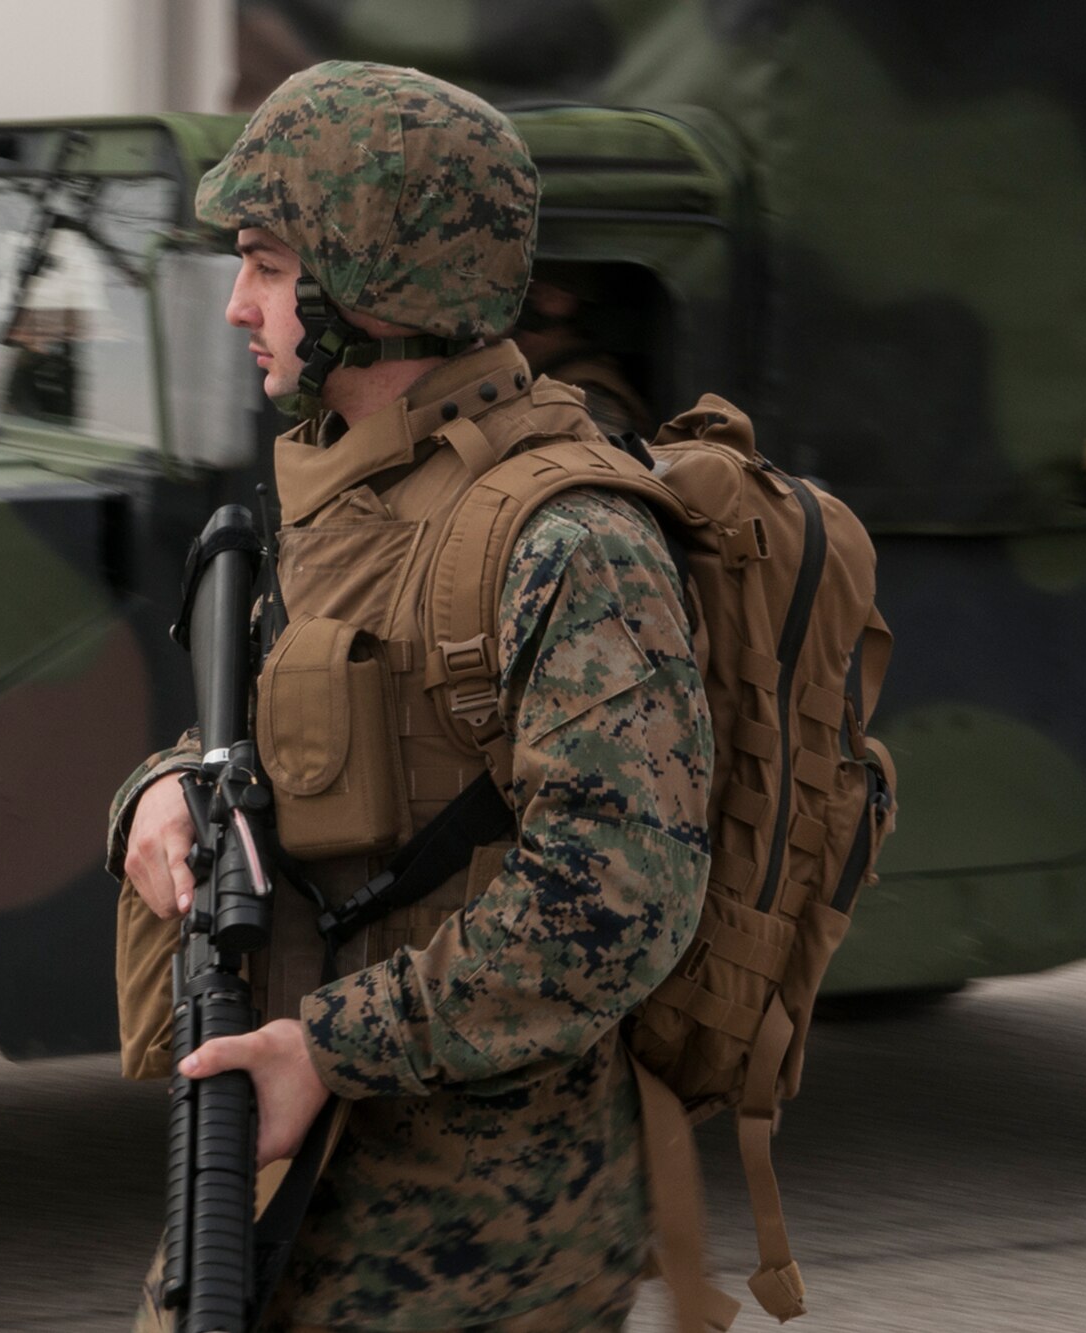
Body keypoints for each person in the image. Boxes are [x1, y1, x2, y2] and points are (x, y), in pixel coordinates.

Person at [107, 62, 713, 1332]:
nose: (236, 304)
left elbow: (616, 898)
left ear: (369, 281)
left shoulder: (569, 537)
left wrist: (330, 1046)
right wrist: (156, 793)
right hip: (295, 1176)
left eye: (266, 263)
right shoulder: (354, 494)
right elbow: (275, 740)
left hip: (479, 1245)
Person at [509, 269, 656, 442]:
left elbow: (598, 462)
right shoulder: (543, 375)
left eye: (533, 293)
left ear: (561, 300)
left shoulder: (590, 396)